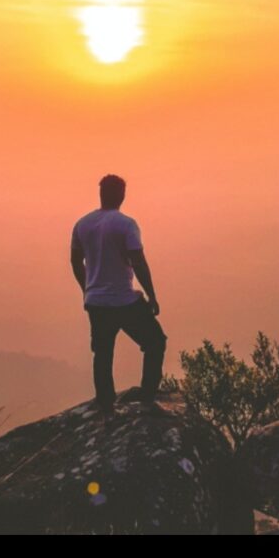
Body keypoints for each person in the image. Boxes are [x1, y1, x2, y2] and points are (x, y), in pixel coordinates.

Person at [70, 174, 167, 416]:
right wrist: (152, 295)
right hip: (124, 300)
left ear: (101, 194)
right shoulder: (126, 224)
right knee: (155, 341)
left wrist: (87, 289)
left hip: (97, 302)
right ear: (122, 195)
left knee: (102, 353)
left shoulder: (83, 224)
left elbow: (75, 260)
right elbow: (138, 262)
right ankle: (147, 397)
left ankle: (106, 404)